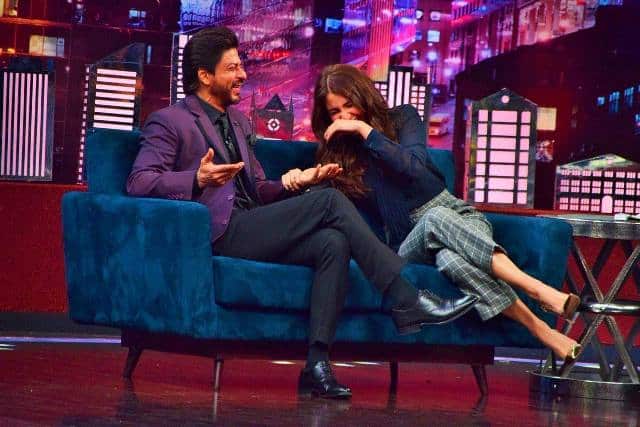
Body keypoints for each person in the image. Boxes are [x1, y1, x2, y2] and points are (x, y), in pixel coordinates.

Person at [126, 28, 477, 399]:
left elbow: (258, 188)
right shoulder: (170, 120)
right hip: (217, 233)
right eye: (232, 68)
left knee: (332, 242)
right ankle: (405, 297)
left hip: (251, 224)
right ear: (204, 75)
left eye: (240, 66)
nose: (243, 74)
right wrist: (196, 179)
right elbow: (138, 182)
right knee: (330, 202)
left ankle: (317, 366)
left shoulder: (238, 122)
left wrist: (297, 182)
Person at [307, 64, 581, 362]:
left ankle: (542, 330)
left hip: (458, 217)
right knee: (433, 220)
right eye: (335, 112)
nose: (345, 116)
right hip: (408, 243)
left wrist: (367, 132)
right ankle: (537, 290)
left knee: (451, 259)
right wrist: (304, 181)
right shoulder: (337, 156)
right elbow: (323, 206)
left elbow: (414, 168)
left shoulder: (403, 118)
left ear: (363, 96)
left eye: (349, 105)